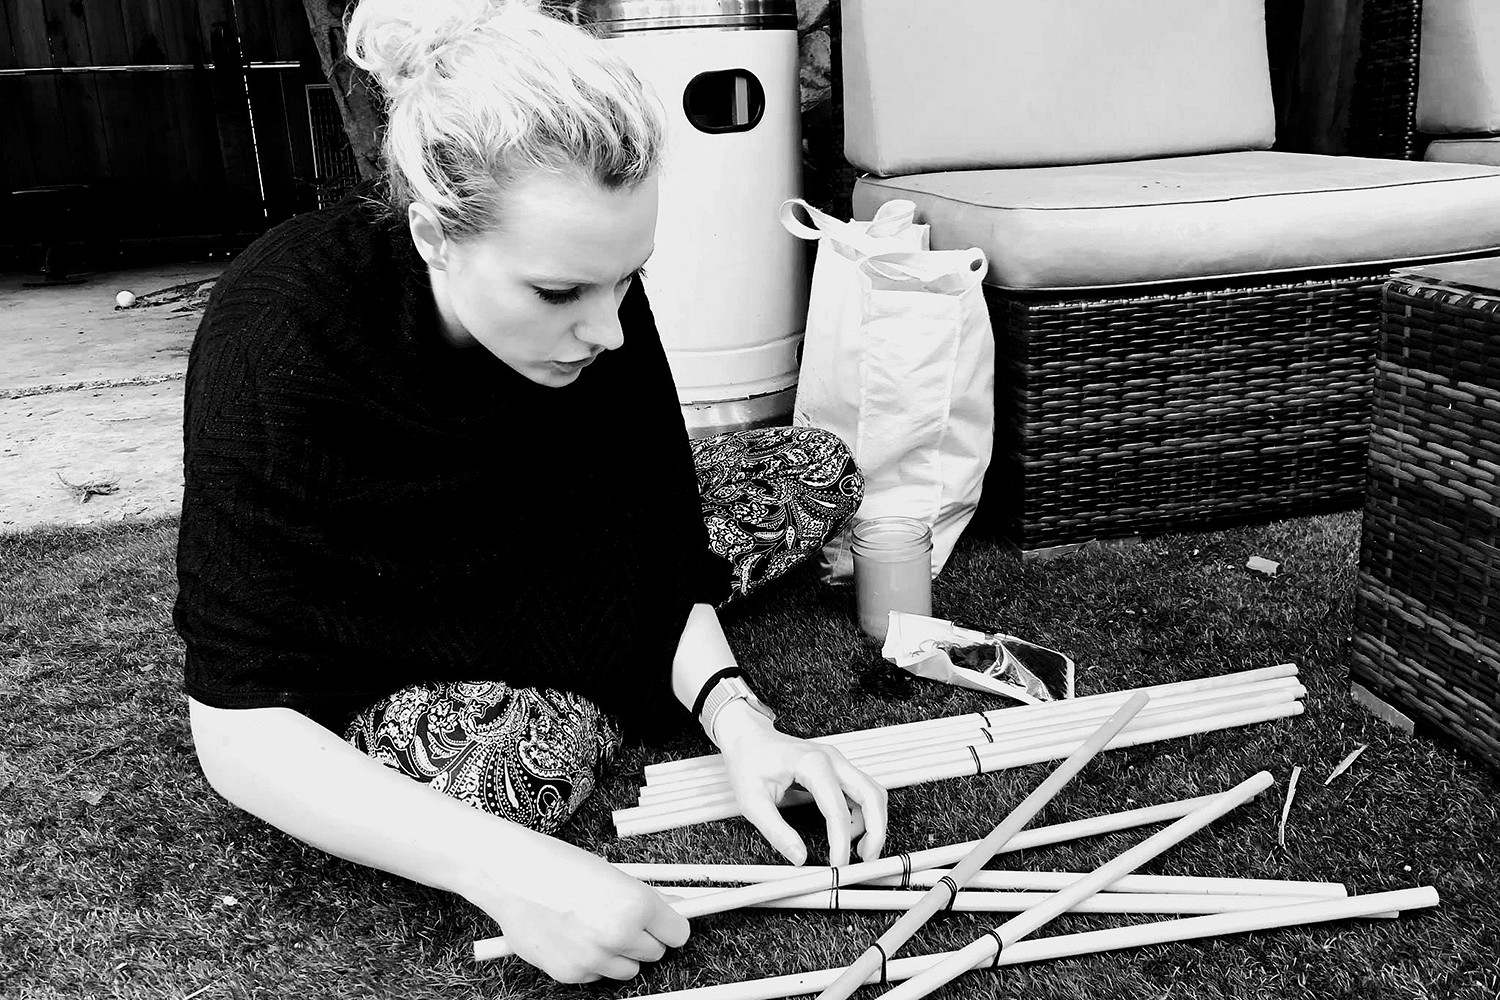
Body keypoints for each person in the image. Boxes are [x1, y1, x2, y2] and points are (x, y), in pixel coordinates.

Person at [173, 0, 887, 985]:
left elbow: (656, 536)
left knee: (815, 465)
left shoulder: (596, 299)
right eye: (559, 294)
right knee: (515, 768)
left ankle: (604, 663)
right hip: (387, 621)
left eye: (628, 280)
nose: (610, 333)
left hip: (553, 554)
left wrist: (742, 722)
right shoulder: (276, 335)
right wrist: (507, 872)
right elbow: (234, 723)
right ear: (436, 234)